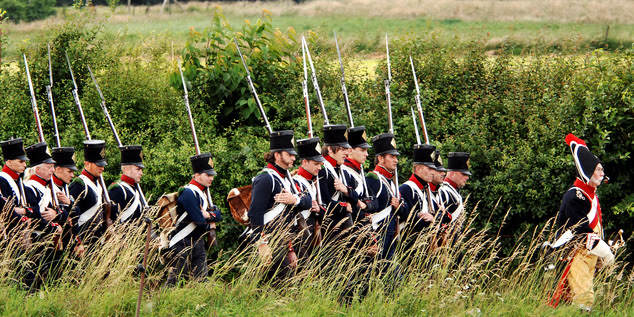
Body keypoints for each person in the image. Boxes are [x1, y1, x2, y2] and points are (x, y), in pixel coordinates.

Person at [549, 134, 614, 311]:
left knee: (576, 299)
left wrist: (602, 250)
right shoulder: (575, 195)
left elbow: (595, 228)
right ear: (588, 170)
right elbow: (579, 230)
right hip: (575, 254)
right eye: (599, 169)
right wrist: (605, 251)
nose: (602, 174)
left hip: (588, 254)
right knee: (584, 298)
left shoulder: (590, 195)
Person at [244, 130, 311, 280]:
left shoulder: (287, 178)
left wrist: (294, 200)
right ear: (277, 155)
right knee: (283, 284)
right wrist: (262, 244)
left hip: (286, 240)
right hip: (271, 239)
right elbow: (255, 213)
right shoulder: (265, 178)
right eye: (289, 154)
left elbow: (307, 202)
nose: (293, 157)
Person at [165, 152, 222, 287]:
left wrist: (209, 215)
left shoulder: (203, 193)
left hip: (198, 242)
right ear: (197, 175)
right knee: (175, 283)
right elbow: (198, 220)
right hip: (182, 242)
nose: (211, 178)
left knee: (201, 281)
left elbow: (218, 215)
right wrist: (210, 223)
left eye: (212, 175)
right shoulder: (188, 192)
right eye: (208, 175)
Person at [23, 142, 68, 289]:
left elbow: (65, 214)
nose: (52, 170)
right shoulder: (30, 187)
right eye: (49, 167)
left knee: (52, 279)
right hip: (37, 238)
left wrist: (56, 214)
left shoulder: (49, 188)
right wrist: (55, 224)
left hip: (50, 238)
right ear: (37, 169)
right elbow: (34, 217)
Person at [365, 133, 403, 261]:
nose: (396, 160)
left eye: (396, 157)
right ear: (380, 158)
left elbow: (405, 208)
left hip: (390, 237)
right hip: (377, 236)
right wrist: (371, 239)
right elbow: (366, 211)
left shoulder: (391, 182)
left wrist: (399, 206)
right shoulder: (373, 179)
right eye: (392, 157)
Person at [319, 125, 358, 243]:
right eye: (342, 149)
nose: (346, 153)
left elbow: (355, 198)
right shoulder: (321, 169)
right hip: (329, 229)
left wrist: (346, 190)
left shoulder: (342, 171)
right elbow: (325, 202)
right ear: (330, 149)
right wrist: (344, 206)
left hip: (344, 227)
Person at [68, 140, 109, 248]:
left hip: (95, 243)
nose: (102, 168)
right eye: (98, 165)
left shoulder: (97, 184)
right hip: (83, 241)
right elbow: (72, 215)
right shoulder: (80, 184)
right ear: (87, 163)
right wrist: (77, 242)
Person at [292, 137, 325, 258]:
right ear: (304, 162)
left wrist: (318, 209)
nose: (319, 168)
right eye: (316, 164)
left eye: (320, 164)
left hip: (310, 233)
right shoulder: (296, 182)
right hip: (299, 234)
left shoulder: (312, 183)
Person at [399, 144, 436, 236]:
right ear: (418, 169)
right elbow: (410, 221)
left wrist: (433, 218)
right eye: (429, 168)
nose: (433, 172)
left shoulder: (425, 190)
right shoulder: (407, 189)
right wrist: (429, 222)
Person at [341, 126, 376, 223]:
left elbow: (375, 202)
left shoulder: (359, 172)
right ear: (350, 150)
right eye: (362, 150)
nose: (366, 154)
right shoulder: (344, 172)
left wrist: (366, 206)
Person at [0, 138, 32, 236]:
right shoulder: (2, 179)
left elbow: (35, 209)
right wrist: (21, 217)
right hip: (8, 229)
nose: (25, 165)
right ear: (9, 162)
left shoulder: (18, 180)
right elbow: (5, 207)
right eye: (21, 162)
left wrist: (25, 211)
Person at [108, 145, 147, 224]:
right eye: (138, 169)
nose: (141, 173)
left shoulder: (134, 189)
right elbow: (114, 221)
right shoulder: (118, 190)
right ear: (127, 170)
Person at [438, 152, 471, 225]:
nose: (467, 177)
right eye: (463, 174)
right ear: (452, 174)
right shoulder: (443, 191)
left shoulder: (453, 191)